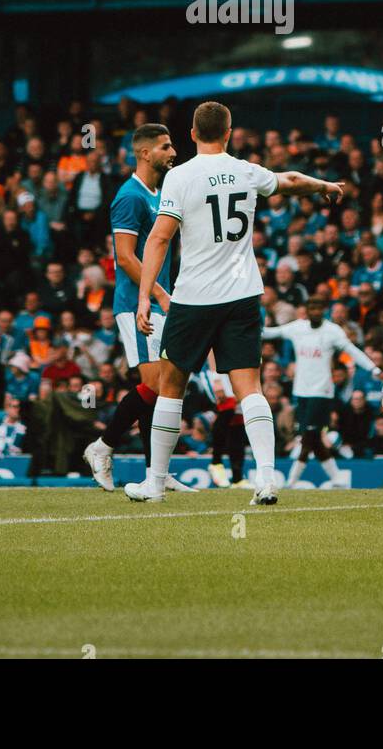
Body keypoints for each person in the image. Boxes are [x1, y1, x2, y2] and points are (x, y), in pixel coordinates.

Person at [124, 100, 344, 506]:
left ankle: (155, 483)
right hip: (243, 296)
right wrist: (325, 186)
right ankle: (266, 480)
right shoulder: (247, 171)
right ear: (229, 133)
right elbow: (292, 178)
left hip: (193, 298)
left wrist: (144, 297)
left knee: (171, 385)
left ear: (191, 134)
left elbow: (158, 238)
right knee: (250, 389)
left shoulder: (180, 176)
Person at [84, 123, 184, 491]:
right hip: (136, 303)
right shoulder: (130, 196)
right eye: (166, 147)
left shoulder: (160, 192)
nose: (173, 152)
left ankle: (155, 473)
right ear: (144, 153)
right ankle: (103, 446)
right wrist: (158, 294)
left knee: (163, 386)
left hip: (159, 298)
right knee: (155, 383)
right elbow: (125, 258)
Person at [263, 294, 382, 487]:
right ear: (307, 311)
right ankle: (338, 478)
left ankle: (291, 481)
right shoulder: (297, 328)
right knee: (315, 439)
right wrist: (244, 323)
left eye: (319, 308)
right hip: (301, 391)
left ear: (324, 311)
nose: (315, 312)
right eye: (312, 308)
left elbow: (352, 350)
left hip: (322, 392)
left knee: (308, 437)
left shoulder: (332, 331)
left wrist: (373, 368)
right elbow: (269, 333)